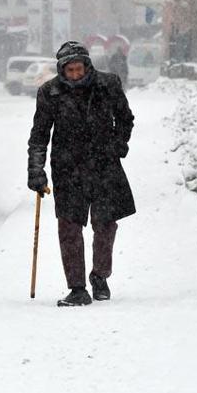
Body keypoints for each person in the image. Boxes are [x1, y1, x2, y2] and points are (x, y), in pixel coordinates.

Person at [27, 41, 135, 307]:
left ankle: (100, 276)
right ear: (62, 70)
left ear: (87, 66)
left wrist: (119, 144)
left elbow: (125, 118)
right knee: (69, 228)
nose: (75, 75)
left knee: (105, 224)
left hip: (104, 165)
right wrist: (36, 171)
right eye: (69, 70)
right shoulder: (49, 92)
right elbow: (39, 136)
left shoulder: (107, 85)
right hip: (67, 169)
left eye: (78, 69)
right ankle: (77, 288)